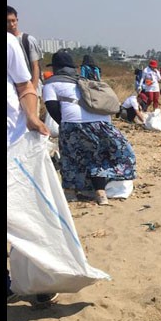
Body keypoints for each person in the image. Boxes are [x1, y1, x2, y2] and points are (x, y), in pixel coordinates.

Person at [43, 50, 137, 206]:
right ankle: (101, 194)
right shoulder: (82, 80)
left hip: (73, 123)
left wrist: (67, 128)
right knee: (99, 157)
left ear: (55, 67)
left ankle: (71, 193)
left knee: (71, 157)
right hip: (102, 123)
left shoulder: (51, 83)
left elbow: (52, 109)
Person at [7, 31, 58, 307]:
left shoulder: (9, 44)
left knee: (25, 213)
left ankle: (38, 280)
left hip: (12, 143)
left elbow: (25, 86)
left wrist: (31, 119)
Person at [7, 5, 43, 109]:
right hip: (13, 93)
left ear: (17, 20)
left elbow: (35, 67)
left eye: (13, 20)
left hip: (29, 88)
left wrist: (32, 90)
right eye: (8, 21)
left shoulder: (27, 40)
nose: (11, 24)